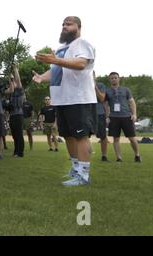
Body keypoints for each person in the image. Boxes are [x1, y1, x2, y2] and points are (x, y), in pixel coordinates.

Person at [33, 16, 97, 187]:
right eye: (63, 24)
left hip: (78, 98)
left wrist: (55, 60)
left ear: (79, 26)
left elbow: (81, 64)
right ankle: (76, 170)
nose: (64, 26)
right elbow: (56, 69)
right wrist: (42, 77)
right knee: (68, 136)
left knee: (81, 136)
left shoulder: (83, 43)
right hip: (61, 99)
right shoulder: (62, 48)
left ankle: (84, 176)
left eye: (68, 24)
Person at [101, 72, 141, 162]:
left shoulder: (126, 90)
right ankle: (119, 157)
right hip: (113, 117)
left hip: (126, 116)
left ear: (119, 79)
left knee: (132, 137)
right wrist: (107, 116)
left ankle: (137, 155)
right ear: (109, 80)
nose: (113, 79)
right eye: (111, 78)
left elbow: (131, 102)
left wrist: (134, 114)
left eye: (115, 78)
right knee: (116, 138)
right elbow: (106, 105)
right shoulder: (107, 91)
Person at [8, 64, 25, 158]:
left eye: (13, 81)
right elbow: (11, 84)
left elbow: (18, 81)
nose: (13, 82)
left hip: (18, 115)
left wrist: (15, 69)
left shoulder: (19, 91)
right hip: (12, 116)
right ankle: (15, 151)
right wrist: (9, 78)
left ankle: (20, 152)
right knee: (14, 135)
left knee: (19, 134)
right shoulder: (11, 93)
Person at [94, 73, 110, 162]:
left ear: (94, 76)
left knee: (102, 136)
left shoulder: (100, 85)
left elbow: (102, 99)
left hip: (99, 113)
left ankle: (104, 156)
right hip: (86, 113)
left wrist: (94, 86)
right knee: (83, 135)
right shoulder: (82, 85)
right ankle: (81, 155)